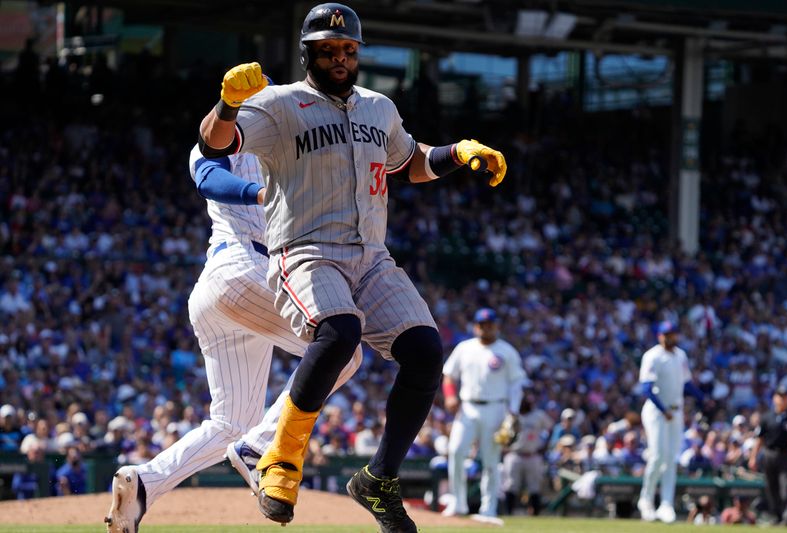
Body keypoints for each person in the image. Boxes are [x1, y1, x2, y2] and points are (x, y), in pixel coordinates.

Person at [196, 3, 506, 531]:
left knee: (426, 353)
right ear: (308, 53)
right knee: (339, 333)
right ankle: (281, 459)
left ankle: (378, 479)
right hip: (306, 249)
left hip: (372, 255)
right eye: (327, 49)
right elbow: (214, 145)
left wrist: (459, 151)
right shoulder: (278, 104)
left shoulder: (379, 107)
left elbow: (409, 164)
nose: (339, 57)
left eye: (348, 49)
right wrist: (226, 106)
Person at [103, 148, 362, 532]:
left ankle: (144, 483)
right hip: (245, 268)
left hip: (217, 288)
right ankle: (261, 446)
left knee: (230, 423)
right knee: (343, 349)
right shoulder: (225, 140)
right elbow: (212, 178)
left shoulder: (278, 149)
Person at [441, 308, 526, 518]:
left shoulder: (506, 351)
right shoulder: (464, 348)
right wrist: (450, 396)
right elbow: (449, 376)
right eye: (481, 324)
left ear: (496, 326)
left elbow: (517, 384)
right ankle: (458, 503)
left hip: (496, 408)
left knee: (491, 460)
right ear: (475, 326)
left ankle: (488, 508)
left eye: (489, 324)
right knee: (456, 451)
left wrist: (513, 412)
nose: (485, 328)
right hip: (467, 406)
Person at [636, 321, 704, 523]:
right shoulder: (652, 355)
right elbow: (646, 388)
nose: (669, 337)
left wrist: (703, 398)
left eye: (672, 334)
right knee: (657, 456)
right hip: (657, 412)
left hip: (675, 412)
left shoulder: (680, 355)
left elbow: (686, 382)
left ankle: (666, 503)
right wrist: (662, 409)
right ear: (659, 336)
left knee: (672, 458)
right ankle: (646, 500)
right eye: (666, 334)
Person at [748, 384, 787, 526]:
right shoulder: (767, 417)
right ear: (774, 398)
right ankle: (777, 516)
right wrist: (753, 457)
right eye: (779, 396)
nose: (782, 399)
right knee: (771, 488)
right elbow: (760, 439)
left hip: (785, 456)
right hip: (769, 454)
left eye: (785, 397)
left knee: (786, 487)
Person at [502, 393, 551, 516]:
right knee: (511, 486)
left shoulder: (538, 415)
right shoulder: (512, 416)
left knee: (534, 487)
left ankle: (535, 515)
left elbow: (550, 427)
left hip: (532, 455)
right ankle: (509, 514)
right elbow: (502, 433)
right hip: (514, 454)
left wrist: (545, 445)